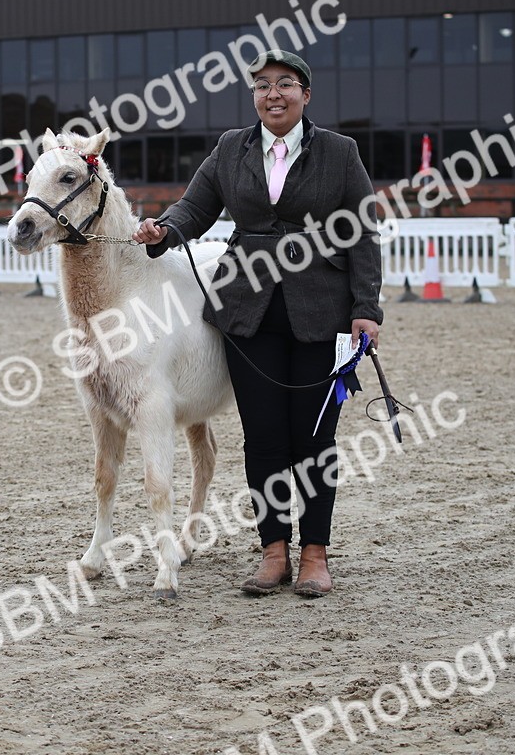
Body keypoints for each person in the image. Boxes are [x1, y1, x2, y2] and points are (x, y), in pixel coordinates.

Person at [132, 50, 383, 598]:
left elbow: (364, 231)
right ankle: (274, 551)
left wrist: (366, 307)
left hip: (321, 313)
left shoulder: (340, 153)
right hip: (247, 314)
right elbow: (192, 210)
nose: (274, 94)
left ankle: (315, 553)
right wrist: (163, 232)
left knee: (314, 439)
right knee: (263, 439)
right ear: (253, 95)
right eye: (263, 85)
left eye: (285, 84)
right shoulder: (230, 148)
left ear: (305, 94)